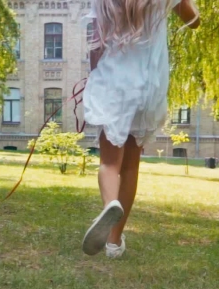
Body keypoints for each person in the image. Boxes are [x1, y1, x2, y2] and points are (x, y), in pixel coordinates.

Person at [81, 0, 200, 258]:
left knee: (109, 163)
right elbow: (194, 21)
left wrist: (94, 77)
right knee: (130, 167)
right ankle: (114, 243)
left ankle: (110, 204)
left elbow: (96, 45)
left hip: (113, 82)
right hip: (149, 87)